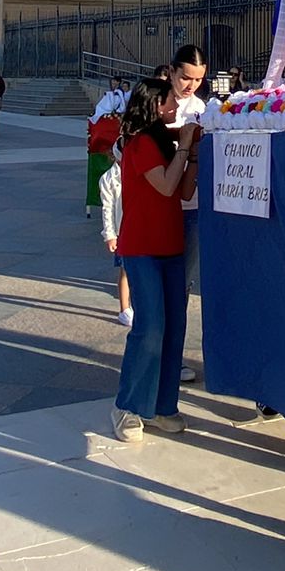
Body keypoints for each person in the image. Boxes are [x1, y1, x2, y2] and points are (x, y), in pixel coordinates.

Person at [111, 76, 196, 442]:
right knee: (150, 328)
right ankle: (127, 406)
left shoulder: (164, 141)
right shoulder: (140, 142)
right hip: (141, 246)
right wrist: (184, 148)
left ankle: (163, 405)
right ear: (151, 105)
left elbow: (184, 189)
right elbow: (163, 185)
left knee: (175, 327)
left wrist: (190, 153)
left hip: (171, 245)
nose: (175, 107)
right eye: (169, 102)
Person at [170, 45, 207, 383]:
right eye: (185, 77)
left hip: (190, 206)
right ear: (171, 73)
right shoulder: (158, 104)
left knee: (182, 284)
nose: (190, 84)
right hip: (160, 206)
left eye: (197, 78)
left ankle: (175, 355)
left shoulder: (200, 109)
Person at [99, 150, 133, 325]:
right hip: (122, 230)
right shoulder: (108, 178)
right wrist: (110, 235)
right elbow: (107, 209)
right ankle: (124, 308)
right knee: (125, 270)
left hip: (138, 228)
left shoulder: (137, 170)